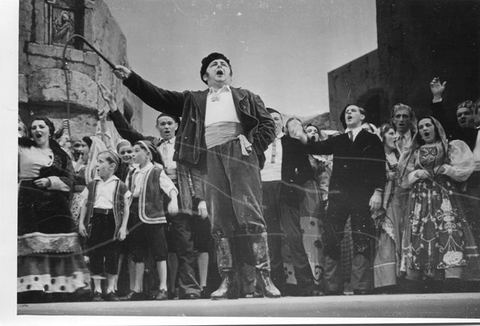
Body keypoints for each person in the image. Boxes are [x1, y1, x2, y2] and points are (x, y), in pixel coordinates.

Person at [113, 52, 280, 299]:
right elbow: (160, 97)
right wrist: (131, 79)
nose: (219, 66)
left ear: (230, 73)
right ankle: (226, 280)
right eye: (214, 65)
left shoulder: (247, 96)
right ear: (205, 76)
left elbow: (267, 125)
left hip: (240, 153)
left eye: (224, 64)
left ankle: (265, 279)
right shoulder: (194, 99)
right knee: (220, 220)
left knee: (251, 215)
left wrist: (253, 147)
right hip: (209, 156)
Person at [99, 84, 205, 300]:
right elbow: (129, 132)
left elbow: (197, 174)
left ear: (177, 126)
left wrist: (200, 199)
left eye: (169, 123)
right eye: (162, 124)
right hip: (152, 202)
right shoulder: (152, 145)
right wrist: (113, 108)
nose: (166, 127)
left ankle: (189, 289)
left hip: (179, 199)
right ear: (157, 127)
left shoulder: (186, 145)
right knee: (156, 247)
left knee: (183, 245)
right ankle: (156, 289)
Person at [288, 104, 385, 295]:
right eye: (346, 111)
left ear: (362, 116)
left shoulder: (371, 139)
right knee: (331, 237)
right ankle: (333, 286)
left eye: (353, 110)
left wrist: (378, 191)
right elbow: (318, 146)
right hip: (338, 196)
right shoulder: (338, 139)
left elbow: (378, 166)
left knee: (361, 237)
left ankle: (361, 286)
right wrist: (301, 136)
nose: (348, 113)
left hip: (361, 195)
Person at [397, 116, 480, 292]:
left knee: (449, 230)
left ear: (436, 128)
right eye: (421, 127)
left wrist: (448, 169)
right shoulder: (414, 151)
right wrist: (417, 174)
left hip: (444, 196)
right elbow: (404, 179)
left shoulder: (448, 147)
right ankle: (426, 275)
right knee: (421, 231)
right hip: (421, 197)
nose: (424, 129)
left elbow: (464, 171)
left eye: (428, 125)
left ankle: (452, 276)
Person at [18, 116, 90, 302]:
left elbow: (70, 180)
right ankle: (35, 287)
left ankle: (64, 287)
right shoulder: (21, 148)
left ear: (50, 130)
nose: (37, 130)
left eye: (41, 126)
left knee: (61, 244)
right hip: (29, 201)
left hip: (55, 203)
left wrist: (50, 181)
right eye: (33, 127)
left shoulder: (61, 155)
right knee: (34, 245)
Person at [122, 140, 179, 300]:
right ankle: (137, 288)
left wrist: (173, 201)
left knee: (160, 252)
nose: (133, 154)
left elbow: (170, 188)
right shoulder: (132, 173)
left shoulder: (156, 171)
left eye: (137, 150)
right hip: (135, 218)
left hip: (154, 218)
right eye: (132, 151)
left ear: (148, 154)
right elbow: (127, 195)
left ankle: (163, 287)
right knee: (138, 253)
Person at [78, 150, 131, 301]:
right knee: (95, 255)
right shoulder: (93, 184)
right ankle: (98, 290)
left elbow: (126, 207)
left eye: (101, 162)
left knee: (112, 255)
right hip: (95, 222)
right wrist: (82, 223)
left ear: (112, 166)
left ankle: (110, 289)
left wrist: (123, 227)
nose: (97, 164)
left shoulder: (119, 185)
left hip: (112, 223)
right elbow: (84, 205)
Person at [373, 124, 400, 293]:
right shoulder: (378, 156)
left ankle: (402, 276)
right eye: (391, 133)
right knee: (386, 236)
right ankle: (387, 280)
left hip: (401, 199)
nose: (395, 136)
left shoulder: (400, 154)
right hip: (386, 200)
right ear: (383, 137)